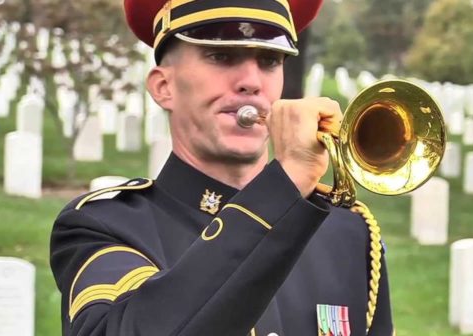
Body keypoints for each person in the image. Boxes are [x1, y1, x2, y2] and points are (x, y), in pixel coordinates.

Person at [49, 0, 394, 334]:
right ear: (163, 87)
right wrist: (284, 184)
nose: (251, 81)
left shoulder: (349, 233)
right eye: (221, 56)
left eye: (270, 60)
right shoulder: (105, 225)